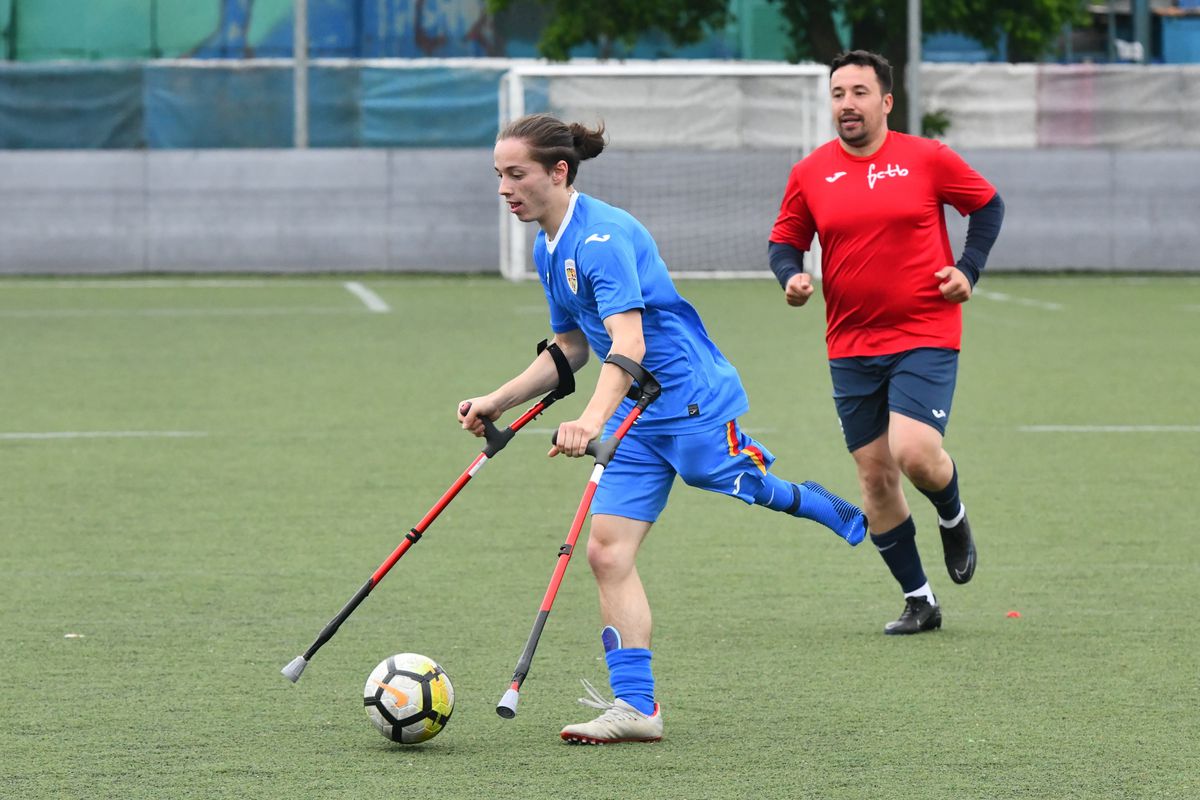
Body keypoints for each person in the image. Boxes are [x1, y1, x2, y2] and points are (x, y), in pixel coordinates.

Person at [459, 113, 868, 744]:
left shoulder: (601, 240)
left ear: (558, 172)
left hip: (690, 400)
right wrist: (499, 399)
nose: (505, 188)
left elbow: (631, 340)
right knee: (606, 552)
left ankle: (805, 496)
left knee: (728, 479)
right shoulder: (548, 244)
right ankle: (637, 707)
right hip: (633, 410)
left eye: (517, 175)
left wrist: (591, 420)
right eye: (499, 176)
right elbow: (571, 346)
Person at [768, 50, 1005, 635]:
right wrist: (791, 277)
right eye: (838, 94)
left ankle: (953, 515)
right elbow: (785, 241)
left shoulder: (927, 158)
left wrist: (967, 270)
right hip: (849, 344)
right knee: (874, 479)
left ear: (886, 101)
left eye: (858, 92)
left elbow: (988, 205)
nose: (847, 104)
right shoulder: (810, 172)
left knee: (915, 451)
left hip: (925, 330)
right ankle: (920, 600)